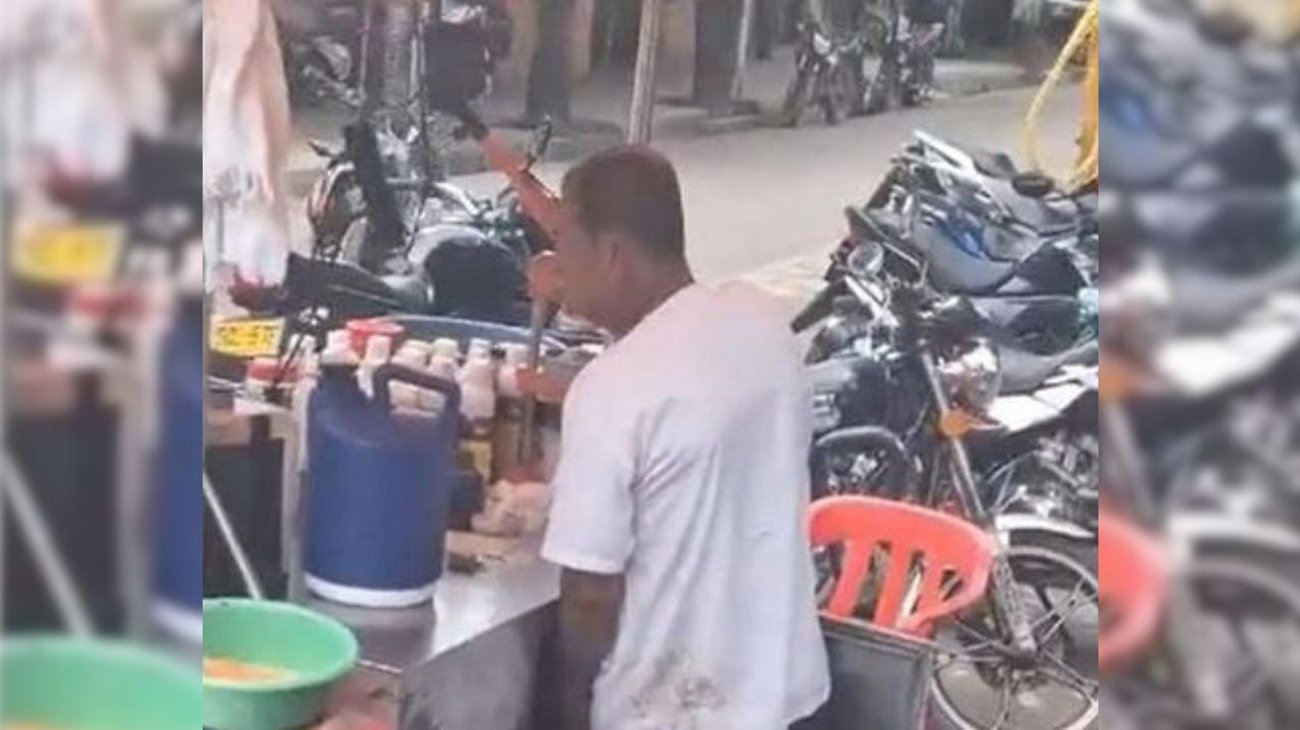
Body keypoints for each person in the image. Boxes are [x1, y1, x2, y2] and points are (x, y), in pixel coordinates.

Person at [541, 146, 831, 730]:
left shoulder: (614, 386)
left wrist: (571, 708)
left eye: (566, 243)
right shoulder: (764, 327)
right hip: (793, 697)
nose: (555, 263)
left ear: (614, 255)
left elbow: (590, 594)